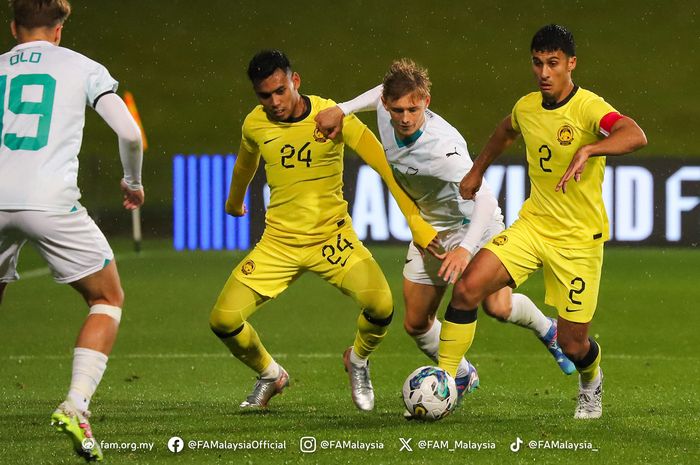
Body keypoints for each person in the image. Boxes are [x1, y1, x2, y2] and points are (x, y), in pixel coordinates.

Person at [315, 60, 575, 416]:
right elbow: (378, 91)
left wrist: (466, 250)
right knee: (416, 323)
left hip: (474, 225)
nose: (405, 118)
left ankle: (550, 331)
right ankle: (464, 375)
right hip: (432, 229)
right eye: (398, 110)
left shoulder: (444, 149)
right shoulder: (386, 105)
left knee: (497, 306)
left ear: (426, 101)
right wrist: (341, 109)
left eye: (413, 108)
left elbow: (483, 198)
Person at [208, 50, 438, 413]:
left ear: (295, 81)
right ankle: (270, 374)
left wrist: (417, 222)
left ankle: (358, 361)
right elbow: (244, 164)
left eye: (280, 91)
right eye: (264, 96)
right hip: (278, 244)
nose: (274, 102)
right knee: (222, 320)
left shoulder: (332, 117)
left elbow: (384, 166)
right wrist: (234, 202)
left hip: (333, 240)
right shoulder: (255, 124)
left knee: (381, 306)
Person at [442, 24, 647, 419]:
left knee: (573, 345)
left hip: (578, 240)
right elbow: (505, 131)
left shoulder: (588, 107)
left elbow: (634, 134)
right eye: (537, 64)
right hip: (533, 226)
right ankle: (446, 382)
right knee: (467, 289)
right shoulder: (527, 107)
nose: (544, 73)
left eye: (553, 63)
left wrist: (591, 147)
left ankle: (591, 381)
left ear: (571, 64)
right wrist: (477, 171)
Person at [0, 0, 144, 461]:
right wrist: (133, 182)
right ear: (59, 30)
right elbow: (130, 134)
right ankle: (75, 405)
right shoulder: (83, 67)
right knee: (107, 298)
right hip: (50, 202)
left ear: (12, 28)